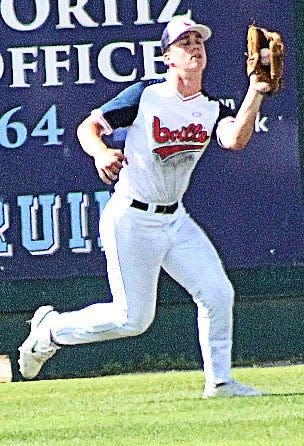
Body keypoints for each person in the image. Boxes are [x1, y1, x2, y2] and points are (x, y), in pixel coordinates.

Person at [18, 14, 269, 397]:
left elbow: (234, 139)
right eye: (183, 44)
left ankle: (219, 382)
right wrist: (101, 153)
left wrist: (256, 92)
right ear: (167, 58)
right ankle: (51, 330)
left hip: (175, 219)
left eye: (197, 42)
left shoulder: (210, 107)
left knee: (218, 293)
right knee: (132, 319)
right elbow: (89, 127)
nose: (193, 48)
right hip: (132, 217)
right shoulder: (147, 95)